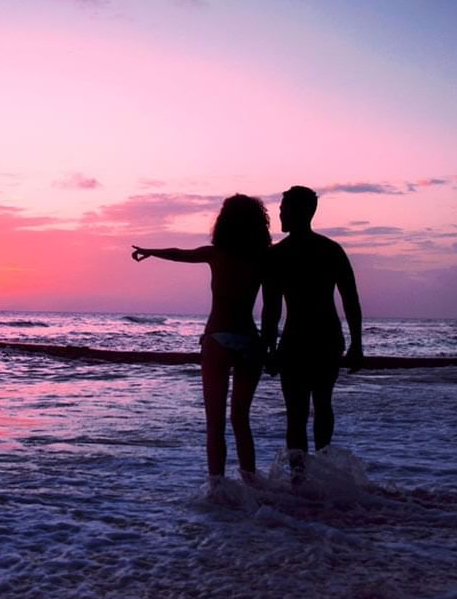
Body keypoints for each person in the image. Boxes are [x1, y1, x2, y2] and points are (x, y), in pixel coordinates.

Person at [132, 194, 271, 485]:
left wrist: (149, 251)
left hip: (218, 338)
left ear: (224, 223)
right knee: (241, 421)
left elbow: (179, 253)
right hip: (250, 340)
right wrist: (270, 346)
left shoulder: (216, 254)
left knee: (215, 423)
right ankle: (252, 484)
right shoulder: (263, 259)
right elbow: (273, 305)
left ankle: (218, 489)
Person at [261, 185, 363, 484]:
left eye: (283, 210)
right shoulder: (330, 249)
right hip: (326, 336)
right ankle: (319, 472)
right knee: (321, 405)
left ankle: (301, 478)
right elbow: (351, 300)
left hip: (298, 339)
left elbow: (271, 310)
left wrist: (269, 347)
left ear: (298, 212)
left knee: (298, 412)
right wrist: (356, 343)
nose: (279, 215)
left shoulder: (279, 255)